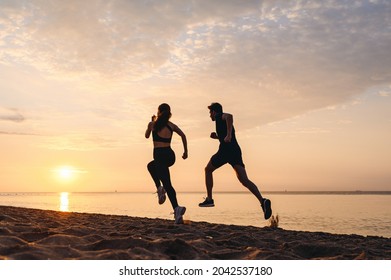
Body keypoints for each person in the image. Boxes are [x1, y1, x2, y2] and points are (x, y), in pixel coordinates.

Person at [199, 102, 272, 220]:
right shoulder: (220, 122)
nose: (209, 116)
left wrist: (228, 135)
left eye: (210, 113)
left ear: (214, 112)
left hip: (225, 151)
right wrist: (218, 137)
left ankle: (209, 199)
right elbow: (227, 135)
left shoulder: (219, 116)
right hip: (235, 151)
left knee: (207, 170)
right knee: (244, 180)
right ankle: (262, 200)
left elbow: (230, 116)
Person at [145, 103, 188, 224]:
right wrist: (185, 151)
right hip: (170, 156)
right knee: (151, 166)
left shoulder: (153, 124)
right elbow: (183, 135)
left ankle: (176, 208)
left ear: (159, 112)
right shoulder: (171, 125)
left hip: (159, 156)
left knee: (167, 183)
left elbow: (146, 136)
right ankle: (160, 189)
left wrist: (151, 123)